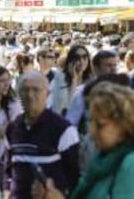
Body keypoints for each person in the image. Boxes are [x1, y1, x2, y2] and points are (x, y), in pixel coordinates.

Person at [33, 82, 134, 199]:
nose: (92, 132)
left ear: (124, 126)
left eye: (100, 125)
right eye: (91, 122)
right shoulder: (104, 159)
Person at [6, 71, 79, 199]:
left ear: (47, 94)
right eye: (25, 90)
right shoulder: (13, 128)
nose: (30, 95)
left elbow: (75, 175)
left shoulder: (63, 129)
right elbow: (9, 170)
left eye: (36, 90)